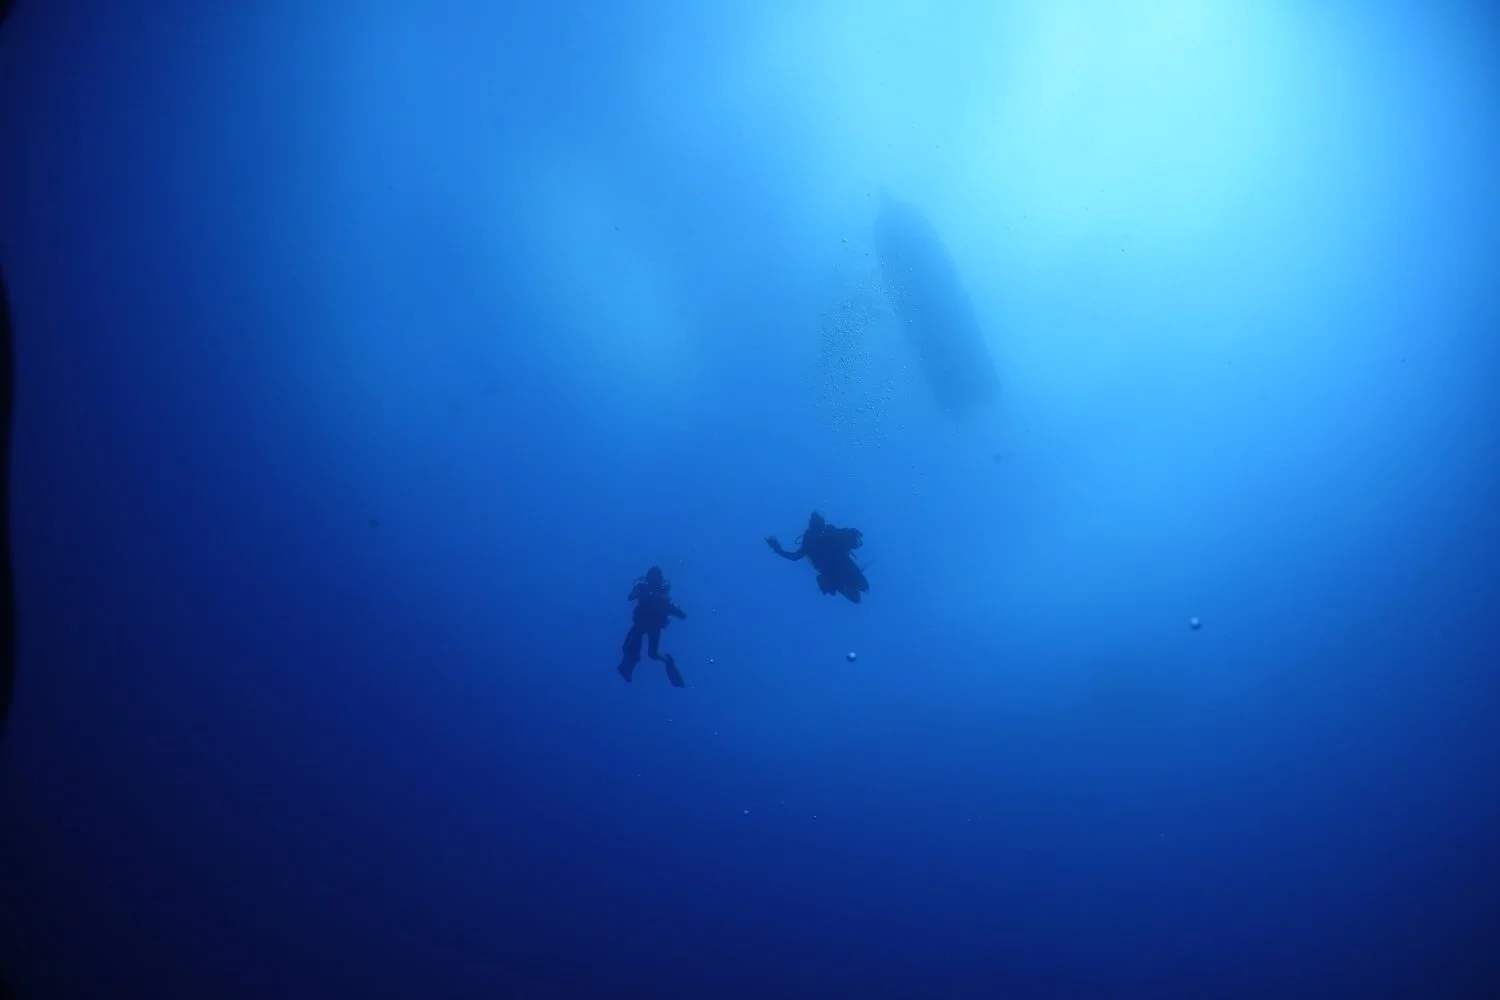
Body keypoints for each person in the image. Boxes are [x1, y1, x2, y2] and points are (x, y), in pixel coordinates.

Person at [766, 512, 870, 603]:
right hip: (840, 568)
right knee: (861, 591)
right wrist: (854, 533)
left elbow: (794, 557)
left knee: (860, 593)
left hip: (836, 570)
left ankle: (847, 585)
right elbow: (844, 533)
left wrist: (777, 548)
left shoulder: (812, 539)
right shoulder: (818, 536)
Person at [618, 567, 686, 687]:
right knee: (628, 647)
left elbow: (673, 608)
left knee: (652, 654)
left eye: (657, 577)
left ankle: (667, 660)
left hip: (654, 626)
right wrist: (637, 593)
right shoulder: (641, 587)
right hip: (641, 623)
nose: (655, 580)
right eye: (653, 577)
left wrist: (678, 612)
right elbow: (630, 596)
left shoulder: (663, 593)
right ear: (648, 578)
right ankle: (628, 666)